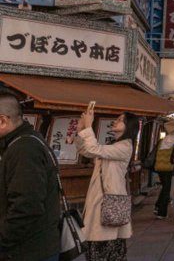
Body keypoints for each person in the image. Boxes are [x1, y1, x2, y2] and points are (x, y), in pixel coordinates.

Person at [0, 89, 61, 261]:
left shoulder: (24, 149)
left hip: (28, 251)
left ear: (2, 121)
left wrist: (3, 240)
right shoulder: (25, 142)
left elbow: (26, 206)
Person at [76, 108, 140, 261]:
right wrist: (81, 130)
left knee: (106, 245)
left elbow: (93, 148)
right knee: (98, 246)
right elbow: (86, 151)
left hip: (109, 203)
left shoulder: (125, 146)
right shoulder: (113, 145)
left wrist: (89, 126)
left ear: (128, 126)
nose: (115, 121)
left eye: (120, 120)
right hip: (101, 200)